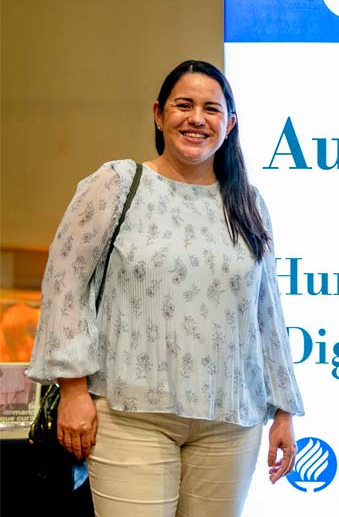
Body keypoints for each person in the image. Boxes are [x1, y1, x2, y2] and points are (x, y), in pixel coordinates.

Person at [27, 60, 304, 516]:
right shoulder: (115, 184)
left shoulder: (248, 202)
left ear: (230, 124)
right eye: (184, 105)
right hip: (130, 415)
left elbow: (266, 311)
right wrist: (73, 389)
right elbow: (65, 284)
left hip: (231, 421)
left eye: (211, 109)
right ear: (158, 114)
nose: (197, 118)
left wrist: (283, 411)